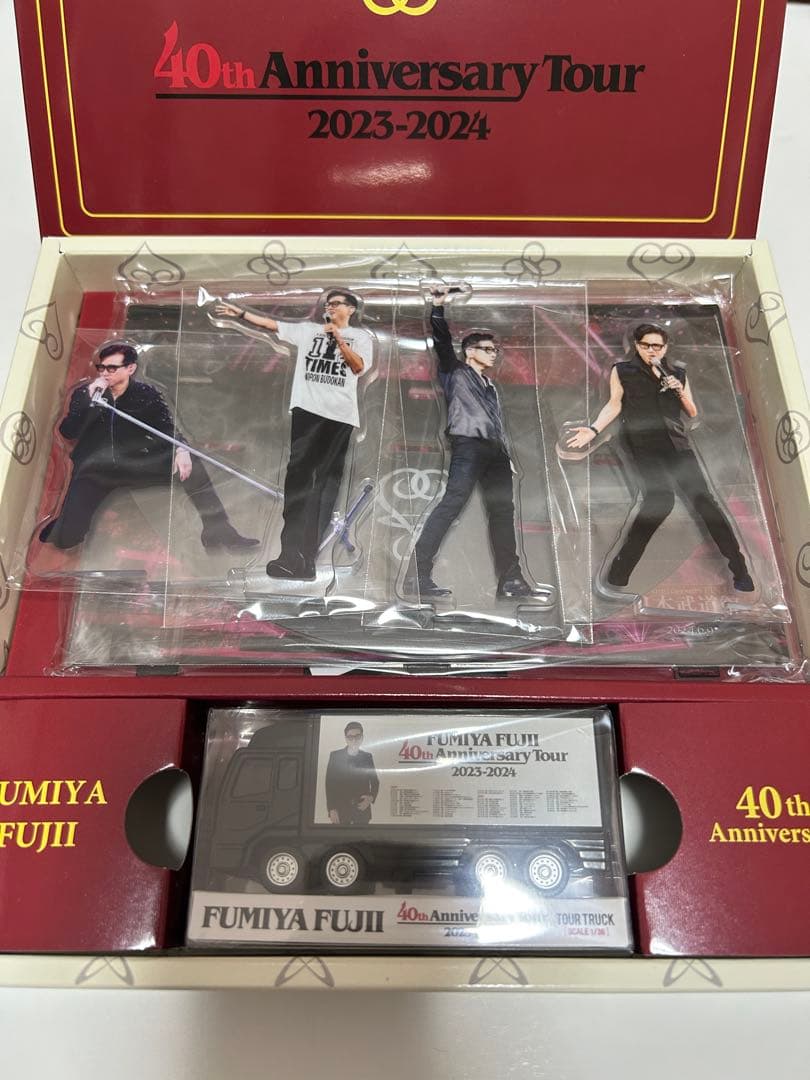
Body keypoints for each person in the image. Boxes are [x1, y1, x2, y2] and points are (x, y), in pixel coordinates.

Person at [566, 322, 754, 592]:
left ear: (665, 348)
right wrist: (594, 430)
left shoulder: (677, 373)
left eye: (657, 346)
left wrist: (679, 390)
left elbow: (692, 412)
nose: (652, 350)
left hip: (677, 445)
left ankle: (740, 570)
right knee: (660, 501)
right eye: (646, 345)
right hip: (642, 445)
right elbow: (614, 404)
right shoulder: (623, 371)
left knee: (705, 502)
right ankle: (619, 572)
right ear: (636, 346)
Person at [39, 341, 259, 552]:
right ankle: (67, 523)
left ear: (130, 368)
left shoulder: (146, 394)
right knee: (67, 540)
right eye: (102, 368)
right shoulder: (84, 394)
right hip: (96, 470)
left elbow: (166, 428)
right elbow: (68, 432)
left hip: (136, 463)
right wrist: (89, 401)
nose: (105, 373)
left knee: (192, 463)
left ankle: (218, 529)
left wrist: (182, 450)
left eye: (112, 368)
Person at [215, 290, 373, 581]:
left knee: (325, 486)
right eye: (328, 303)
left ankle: (307, 560)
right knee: (298, 480)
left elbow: (358, 367)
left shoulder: (360, 337)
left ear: (351, 309)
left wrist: (338, 338)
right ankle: (289, 556)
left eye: (336, 303)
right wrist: (240, 313)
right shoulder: (309, 331)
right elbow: (272, 325)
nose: (330, 307)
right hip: (307, 413)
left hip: (340, 417)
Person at [406, 288, 537, 599]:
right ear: (469, 351)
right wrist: (437, 307)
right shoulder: (456, 372)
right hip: (468, 446)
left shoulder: (490, 385)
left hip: (495, 452)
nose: (493, 354)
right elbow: (441, 341)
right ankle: (417, 574)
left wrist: (505, 453)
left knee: (503, 512)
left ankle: (511, 580)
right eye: (487, 349)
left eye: (494, 349)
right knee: (452, 503)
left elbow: (495, 420)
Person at [324, 721, 379, 826]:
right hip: (340, 811)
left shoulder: (367, 757)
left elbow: (375, 782)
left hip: (362, 810)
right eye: (350, 737)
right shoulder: (335, 756)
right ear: (346, 738)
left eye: (357, 736)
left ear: (362, 737)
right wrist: (331, 809)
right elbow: (329, 784)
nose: (354, 740)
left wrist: (370, 798)